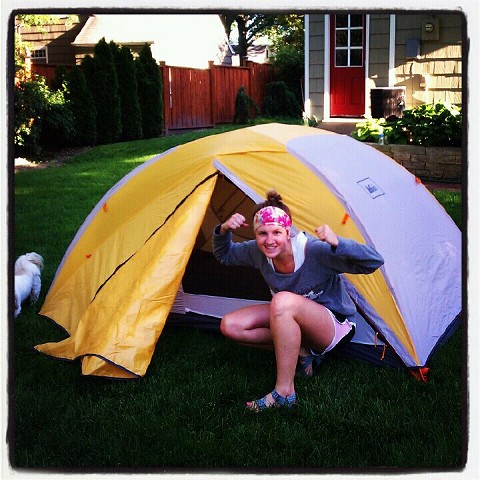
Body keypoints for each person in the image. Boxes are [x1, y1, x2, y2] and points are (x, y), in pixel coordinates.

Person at [212, 189, 384, 412]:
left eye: (276, 232)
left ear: (287, 232)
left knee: (281, 301)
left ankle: (284, 392)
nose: (269, 240)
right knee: (230, 325)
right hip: (289, 314)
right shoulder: (257, 252)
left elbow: (374, 261)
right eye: (262, 233)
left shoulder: (314, 251)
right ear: (255, 234)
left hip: (334, 326)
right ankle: (302, 351)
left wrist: (337, 243)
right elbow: (225, 255)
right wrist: (224, 229)